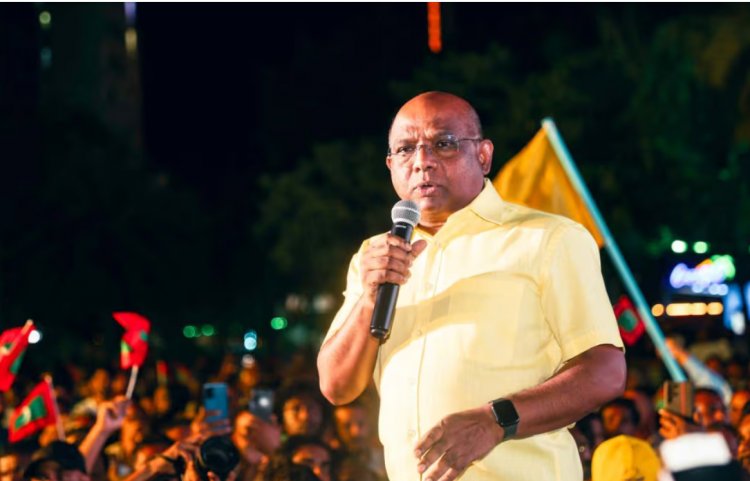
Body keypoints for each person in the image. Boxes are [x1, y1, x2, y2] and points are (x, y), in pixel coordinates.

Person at [317, 91, 626, 481]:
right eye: (406, 149)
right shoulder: (375, 257)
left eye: (443, 143)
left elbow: (605, 371)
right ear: (390, 164)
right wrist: (370, 298)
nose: (422, 161)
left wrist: (496, 420)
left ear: (483, 155)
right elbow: (337, 386)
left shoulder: (547, 239)